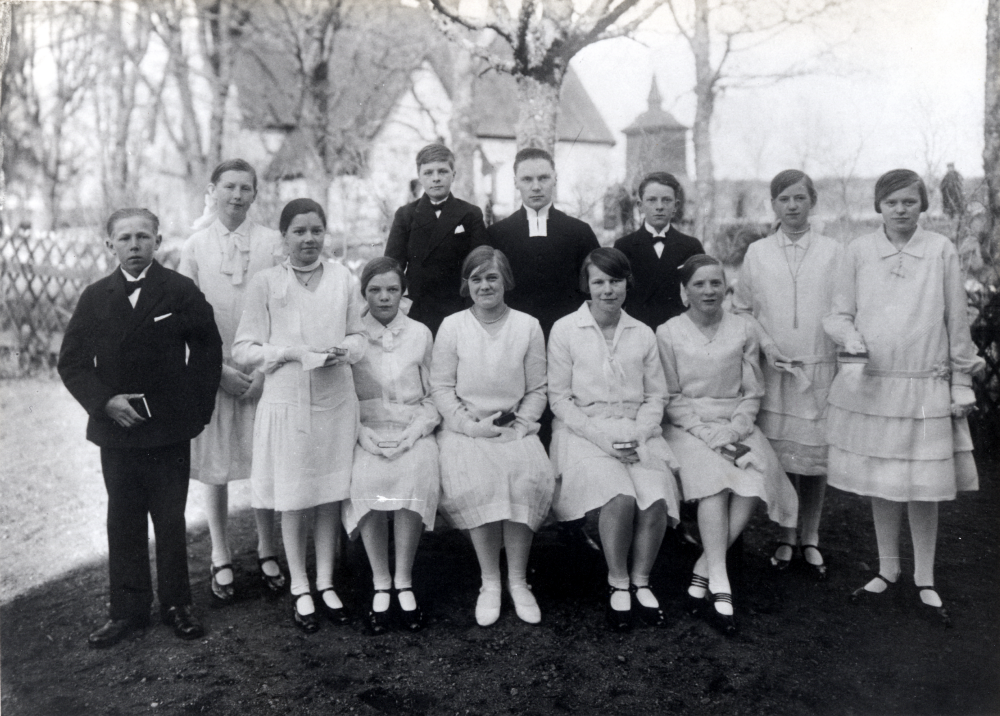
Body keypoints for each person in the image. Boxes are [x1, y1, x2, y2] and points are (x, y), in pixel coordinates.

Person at [823, 169, 983, 626]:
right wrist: (851, 337)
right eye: (891, 202)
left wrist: (960, 381)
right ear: (879, 206)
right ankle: (887, 569)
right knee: (885, 480)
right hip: (875, 383)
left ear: (922, 205)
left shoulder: (940, 251)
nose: (900, 210)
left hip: (924, 384)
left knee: (922, 485)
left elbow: (956, 321)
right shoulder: (858, 251)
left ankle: (925, 577)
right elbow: (838, 313)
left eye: (909, 202)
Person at [58, 208, 223, 647]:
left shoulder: (178, 291)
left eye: (143, 237)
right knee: (123, 518)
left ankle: (176, 605)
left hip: (167, 428)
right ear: (108, 244)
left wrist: (195, 412)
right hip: (117, 430)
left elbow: (208, 352)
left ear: (158, 241)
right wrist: (103, 402)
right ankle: (127, 611)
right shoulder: (95, 296)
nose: (135, 246)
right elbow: (71, 362)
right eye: (125, 238)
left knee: (170, 519)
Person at [232, 198, 366, 634]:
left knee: (328, 494)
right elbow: (244, 349)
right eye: (299, 231)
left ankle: (326, 582)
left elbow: (360, 336)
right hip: (287, 403)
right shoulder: (266, 283)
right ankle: (300, 586)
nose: (309, 239)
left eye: (316, 231)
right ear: (284, 236)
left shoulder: (343, 278)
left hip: (335, 399)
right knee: (294, 499)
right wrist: (286, 352)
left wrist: (343, 351)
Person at [658, 255, 798, 635]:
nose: (708, 291)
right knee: (714, 488)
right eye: (699, 284)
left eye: (715, 283)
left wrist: (735, 430)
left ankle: (703, 568)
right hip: (689, 429)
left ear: (726, 288)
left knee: (755, 479)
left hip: (734, 424)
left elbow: (753, 392)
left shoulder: (743, 329)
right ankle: (720, 581)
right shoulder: (668, 332)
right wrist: (706, 434)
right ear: (684, 291)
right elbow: (670, 396)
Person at [548, 248, 681, 631]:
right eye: (599, 282)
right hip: (584, 431)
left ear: (627, 284)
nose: (608, 290)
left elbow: (657, 395)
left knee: (654, 497)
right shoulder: (564, 330)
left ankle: (641, 580)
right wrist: (603, 439)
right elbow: (559, 398)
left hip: (637, 430)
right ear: (587, 286)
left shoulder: (642, 333)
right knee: (620, 497)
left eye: (615, 281)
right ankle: (617, 581)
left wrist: (639, 435)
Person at [179, 159, 286, 605]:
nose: (237, 196)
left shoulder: (271, 244)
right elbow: (184, 318)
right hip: (215, 371)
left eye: (246, 188)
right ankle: (220, 552)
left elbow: (284, 307)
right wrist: (216, 371)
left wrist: (263, 371)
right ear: (214, 190)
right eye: (229, 187)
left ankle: (267, 547)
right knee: (217, 466)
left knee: (264, 463)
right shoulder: (196, 245)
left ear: (255, 195)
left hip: (260, 370)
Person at [431, 245, 555, 627]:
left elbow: (538, 389)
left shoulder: (527, 325)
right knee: (479, 481)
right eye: (476, 279)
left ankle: (518, 580)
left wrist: (521, 424)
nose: (484, 285)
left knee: (525, 476)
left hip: (513, 427)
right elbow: (440, 387)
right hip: (465, 429)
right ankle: (490, 581)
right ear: (466, 285)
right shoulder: (452, 326)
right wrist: (469, 426)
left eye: (491, 277)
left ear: (506, 281)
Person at [732, 170, 844, 579]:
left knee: (814, 458)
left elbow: (844, 309)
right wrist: (769, 347)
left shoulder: (834, 251)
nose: (792, 206)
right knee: (781, 458)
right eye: (784, 199)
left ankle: (810, 535)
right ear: (773, 205)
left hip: (818, 367)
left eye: (799, 197)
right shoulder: (758, 253)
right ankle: (785, 532)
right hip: (773, 368)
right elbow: (743, 308)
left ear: (812, 200)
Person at [342, 257, 441, 635]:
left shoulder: (420, 333)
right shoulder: (353, 337)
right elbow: (343, 395)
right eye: (375, 290)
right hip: (364, 430)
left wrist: (415, 431)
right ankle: (380, 581)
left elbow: (434, 396)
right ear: (363, 293)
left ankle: (403, 579)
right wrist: (361, 434)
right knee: (366, 480)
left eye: (392, 290)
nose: (384, 298)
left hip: (412, 427)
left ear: (403, 293)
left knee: (414, 474)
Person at [485, 147, 599, 339]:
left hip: (570, 336)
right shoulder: (497, 234)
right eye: (527, 179)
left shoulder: (579, 232)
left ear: (555, 179)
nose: (536, 187)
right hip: (511, 335)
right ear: (516, 183)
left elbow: (595, 287)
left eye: (543, 178)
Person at [384, 143, 489, 335]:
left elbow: (480, 265)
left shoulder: (470, 214)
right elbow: (393, 266)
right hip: (418, 309)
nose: (436, 178)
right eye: (428, 173)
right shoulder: (406, 215)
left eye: (442, 171)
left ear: (453, 174)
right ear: (419, 176)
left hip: (459, 307)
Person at [614, 172, 704, 331]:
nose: (659, 206)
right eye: (652, 200)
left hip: (679, 330)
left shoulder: (691, 246)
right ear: (640, 206)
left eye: (666, 200)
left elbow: (702, 292)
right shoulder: (624, 246)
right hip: (636, 330)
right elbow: (617, 297)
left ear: (676, 206)